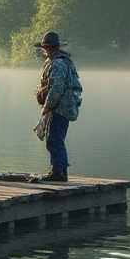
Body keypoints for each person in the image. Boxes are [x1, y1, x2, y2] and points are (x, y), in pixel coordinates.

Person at [33, 31, 82, 182]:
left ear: (50, 47)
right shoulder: (59, 61)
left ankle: (58, 172)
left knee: (54, 139)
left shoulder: (59, 63)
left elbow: (57, 87)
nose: (43, 50)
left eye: (45, 47)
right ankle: (60, 171)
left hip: (60, 108)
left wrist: (47, 105)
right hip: (61, 107)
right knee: (55, 138)